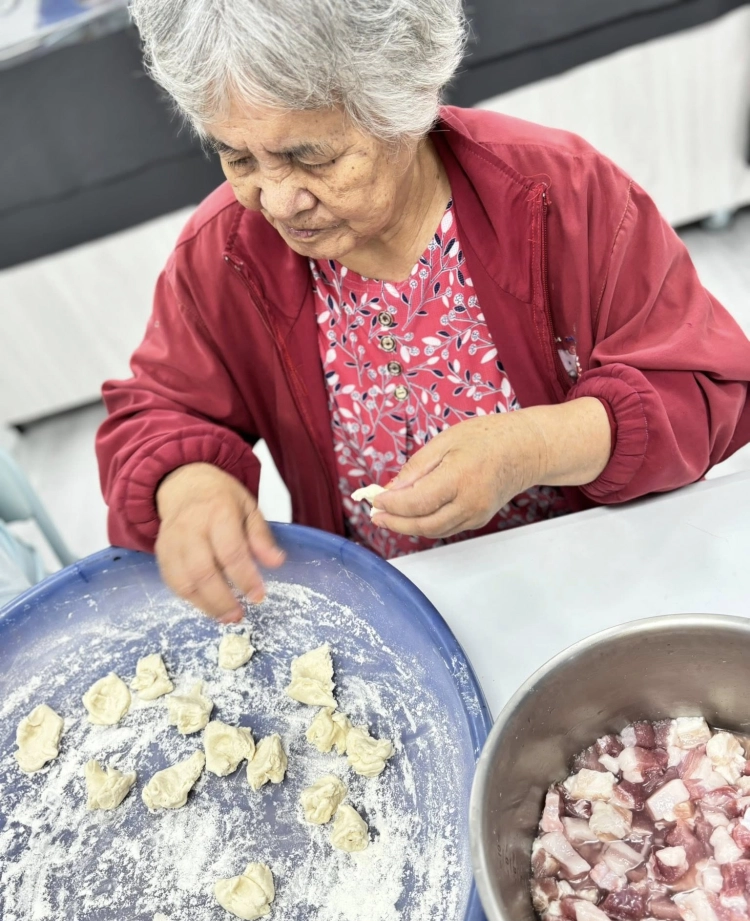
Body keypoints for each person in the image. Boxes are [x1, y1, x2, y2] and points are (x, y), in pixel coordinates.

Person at [97, 0, 750, 625]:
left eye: (311, 157)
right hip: (386, 603)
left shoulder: (559, 192)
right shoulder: (226, 253)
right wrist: (184, 484)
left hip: (591, 574)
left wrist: (534, 446)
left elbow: (707, 390)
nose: (276, 200)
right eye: (237, 157)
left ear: (404, 108)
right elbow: (157, 412)